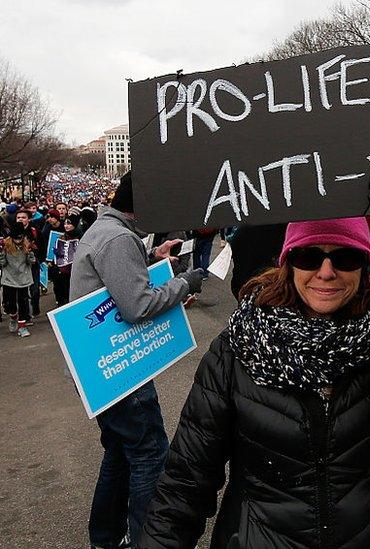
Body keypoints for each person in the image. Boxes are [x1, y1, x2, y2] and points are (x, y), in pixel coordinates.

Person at [138, 161, 370, 548]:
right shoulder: (240, 346)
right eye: (309, 256)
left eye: (345, 257)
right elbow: (185, 483)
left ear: (364, 266)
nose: (326, 272)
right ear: (288, 263)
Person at [71, 172, 206, 549]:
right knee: (149, 453)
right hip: (122, 371)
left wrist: (153, 259)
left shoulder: (105, 230)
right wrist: (184, 284)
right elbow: (137, 304)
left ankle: (105, 537)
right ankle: (146, 540)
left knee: (120, 451)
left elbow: (119, 282)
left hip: (104, 370)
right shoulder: (116, 238)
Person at [1, 223, 36, 337]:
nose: (17, 240)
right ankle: (13, 317)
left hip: (23, 277)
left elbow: (31, 262)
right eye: (15, 238)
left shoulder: (27, 244)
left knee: (23, 302)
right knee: (9, 303)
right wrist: (1, 255)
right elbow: (2, 263)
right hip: (9, 278)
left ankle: (22, 326)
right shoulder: (6, 245)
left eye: (19, 238)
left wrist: (30, 255)